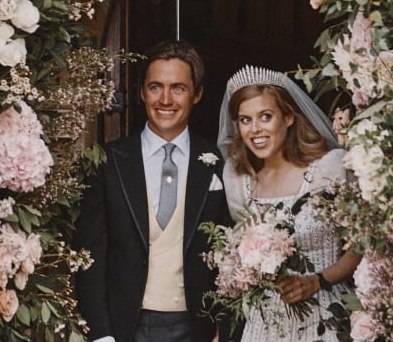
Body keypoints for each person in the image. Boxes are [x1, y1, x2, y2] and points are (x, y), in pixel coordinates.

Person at [75, 40, 232, 342]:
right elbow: (90, 256)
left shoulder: (219, 164)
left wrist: (221, 330)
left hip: (197, 327)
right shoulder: (108, 163)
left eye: (178, 88)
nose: (165, 99)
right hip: (126, 327)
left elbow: (228, 255)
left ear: (196, 94)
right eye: (156, 87)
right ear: (142, 92)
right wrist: (101, 335)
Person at [217, 65, 360, 342]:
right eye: (245, 120)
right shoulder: (239, 181)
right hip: (266, 323)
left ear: (289, 117)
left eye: (266, 117)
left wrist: (318, 280)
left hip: (325, 315)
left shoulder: (327, 169)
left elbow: (361, 245)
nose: (255, 129)